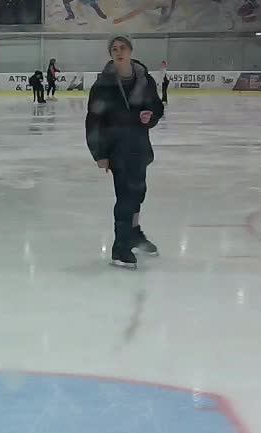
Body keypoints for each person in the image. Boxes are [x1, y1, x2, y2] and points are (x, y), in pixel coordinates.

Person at [86, 35, 164, 269]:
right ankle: (120, 248)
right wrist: (99, 153)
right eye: (114, 49)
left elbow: (156, 106)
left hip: (139, 146)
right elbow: (93, 120)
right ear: (111, 54)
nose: (119, 52)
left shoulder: (144, 80)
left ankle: (134, 234)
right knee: (126, 197)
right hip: (116, 147)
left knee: (138, 193)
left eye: (123, 48)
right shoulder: (103, 84)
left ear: (131, 51)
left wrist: (151, 116)